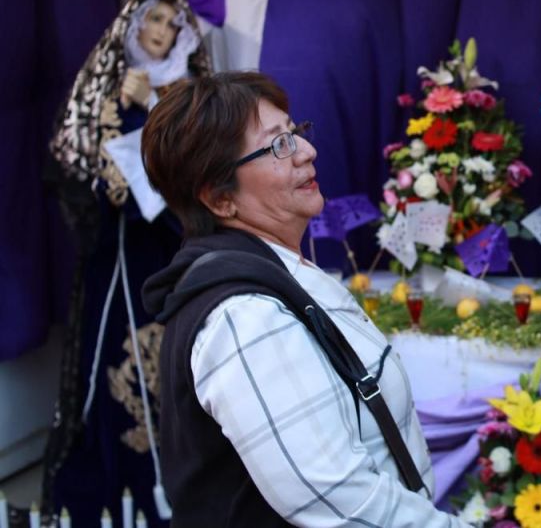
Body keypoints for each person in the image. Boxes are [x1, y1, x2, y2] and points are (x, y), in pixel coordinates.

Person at [139, 72, 470, 527]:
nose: (307, 151)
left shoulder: (276, 270)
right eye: (277, 145)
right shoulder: (245, 318)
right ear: (220, 199)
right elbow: (340, 498)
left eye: (294, 133)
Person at [44, 0, 211, 525]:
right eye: (152, 20)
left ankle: (183, 477)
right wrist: (106, 174)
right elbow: (73, 157)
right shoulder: (104, 83)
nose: (160, 32)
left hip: (174, 247)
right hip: (118, 250)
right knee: (108, 353)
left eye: (171, 23)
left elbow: (203, 162)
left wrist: (153, 104)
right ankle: (120, 480)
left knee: (180, 358)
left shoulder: (190, 89)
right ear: (133, 25)